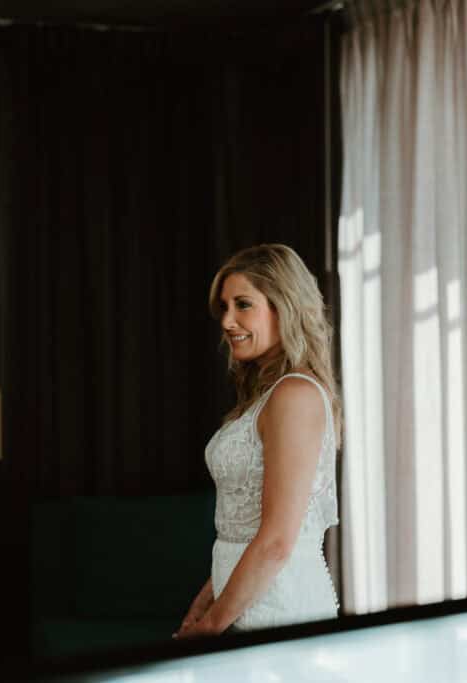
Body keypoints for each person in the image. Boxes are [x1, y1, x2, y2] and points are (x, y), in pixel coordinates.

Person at [174, 243, 342, 638]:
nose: (227, 321)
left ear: (283, 306)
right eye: (225, 307)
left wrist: (210, 626)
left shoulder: (295, 395)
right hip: (242, 601)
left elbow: (278, 540)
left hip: (277, 610)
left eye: (243, 305)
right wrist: (207, 601)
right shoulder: (267, 396)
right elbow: (242, 528)